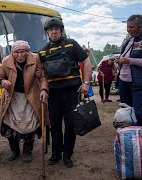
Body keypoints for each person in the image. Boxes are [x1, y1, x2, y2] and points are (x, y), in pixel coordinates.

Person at [39, 17, 92, 168]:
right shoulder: (43, 51)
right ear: (47, 32)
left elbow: (86, 62)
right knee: (54, 126)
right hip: (53, 94)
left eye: (57, 29)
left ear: (61, 30)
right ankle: (56, 154)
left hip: (71, 92)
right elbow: (40, 72)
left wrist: (86, 83)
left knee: (70, 125)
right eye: (51, 29)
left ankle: (67, 155)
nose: (54, 31)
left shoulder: (72, 44)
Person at [0, 40, 49, 164]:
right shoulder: (6, 61)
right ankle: (15, 150)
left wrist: (44, 89)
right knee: (10, 125)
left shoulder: (35, 59)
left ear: (27, 52)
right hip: (12, 98)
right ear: (12, 53)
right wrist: (2, 82)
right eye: (16, 52)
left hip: (30, 97)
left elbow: (42, 77)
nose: (20, 55)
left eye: (23, 52)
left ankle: (28, 151)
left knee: (31, 125)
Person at [115, 14, 142, 126]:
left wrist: (129, 60)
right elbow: (126, 59)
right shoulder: (128, 41)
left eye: (132, 27)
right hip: (123, 82)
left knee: (140, 114)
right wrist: (119, 60)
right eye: (127, 27)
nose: (129, 30)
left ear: (141, 26)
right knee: (127, 113)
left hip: (140, 83)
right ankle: (133, 139)